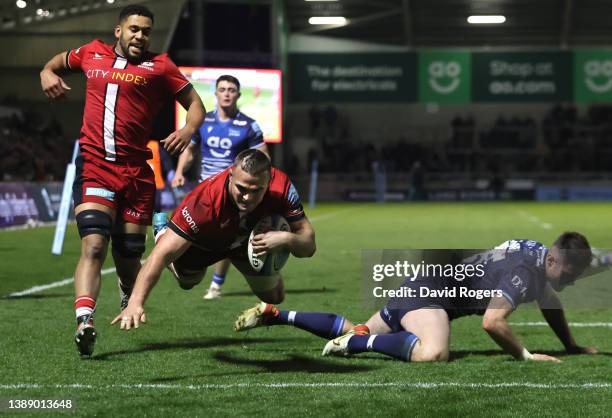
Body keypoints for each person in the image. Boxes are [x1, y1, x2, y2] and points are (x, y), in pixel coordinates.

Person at [40, 4, 205, 357]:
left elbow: (195, 104)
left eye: (146, 31)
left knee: (130, 256)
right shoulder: (91, 53)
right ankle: (85, 320)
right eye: (134, 29)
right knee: (94, 245)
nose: (140, 36)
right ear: (119, 31)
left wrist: (188, 130)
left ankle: (126, 287)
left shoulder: (160, 66)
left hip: (136, 173)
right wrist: (46, 72)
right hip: (96, 167)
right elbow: (57, 62)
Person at [234, 233, 597, 363]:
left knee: (352, 327)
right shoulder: (525, 272)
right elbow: (492, 322)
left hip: (423, 284)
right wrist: (526, 355)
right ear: (553, 260)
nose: (572, 280)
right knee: (434, 353)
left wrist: (571, 344)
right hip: (432, 295)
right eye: (570, 273)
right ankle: (360, 345)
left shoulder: (538, 254)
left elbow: (551, 299)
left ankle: (276, 314)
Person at [112, 149, 315, 330]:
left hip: (245, 241)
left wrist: (286, 238)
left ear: (269, 181)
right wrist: (136, 303)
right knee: (188, 281)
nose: (247, 197)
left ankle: (255, 265)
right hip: (206, 241)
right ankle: (162, 232)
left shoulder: (282, 187)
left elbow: (309, 245)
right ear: (230, 175)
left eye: (256, 191)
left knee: (274, 297)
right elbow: (160, 256)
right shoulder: (205, 203)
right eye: (242, 189)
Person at [171, 75, 269, 300]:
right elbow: (190, 150)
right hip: (204, 190)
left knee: (226, 236)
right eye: (222, 89)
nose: (226, 93)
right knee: (192, 233)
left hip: (233, 193)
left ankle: (215, 284)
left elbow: (263, 158)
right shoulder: (203, 121)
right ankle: (180, 263)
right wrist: (179, 173)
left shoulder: (249, 125)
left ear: (238, 95)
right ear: (215, 93)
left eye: (232, 90)